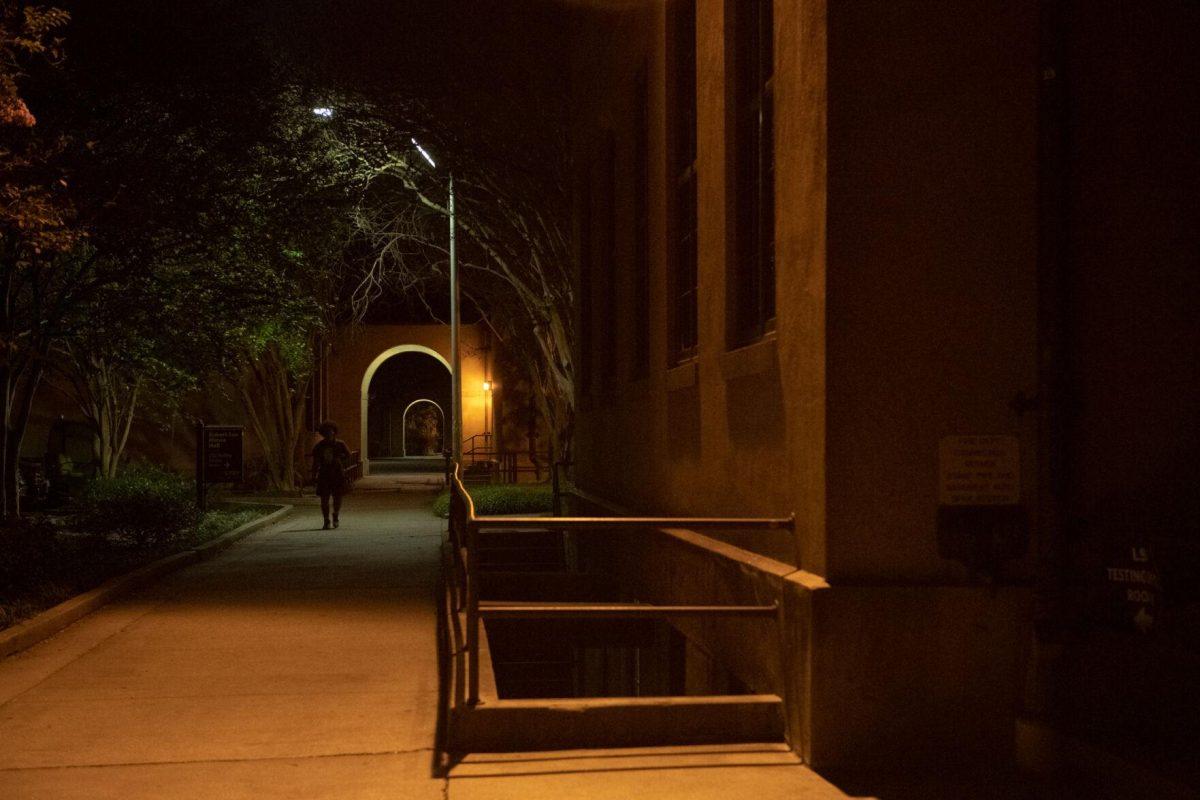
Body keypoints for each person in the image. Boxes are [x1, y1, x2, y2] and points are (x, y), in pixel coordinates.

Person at [312, 421, 352, 530]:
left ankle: (335, 514)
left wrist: (340, 461)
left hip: (337, 473)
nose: (329, 434)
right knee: (324, 499)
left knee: (337, 497)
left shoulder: (340, 444)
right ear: (324, 434)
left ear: (334, 432)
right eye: (327, 432)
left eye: (331, 432)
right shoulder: (319, 446)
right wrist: (313, 475)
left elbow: (348, 455)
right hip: (324, 474)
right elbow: (315, 461)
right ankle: (326, 520)